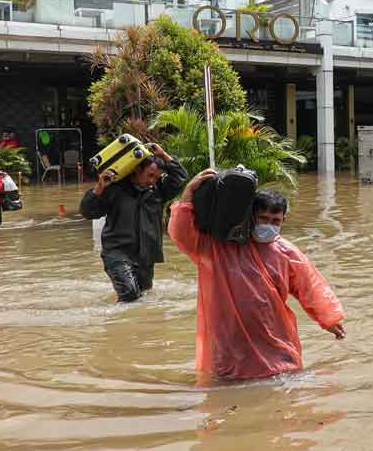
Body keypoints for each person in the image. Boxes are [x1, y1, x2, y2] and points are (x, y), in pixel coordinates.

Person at [169, 170, 346, 381]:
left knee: (281, 381)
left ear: (283, 220)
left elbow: (309, 286)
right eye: (263, 218)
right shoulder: (220, 248)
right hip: (228, 340)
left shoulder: (286, 252)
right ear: (251, 217)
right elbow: (181, 234)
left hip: (273, 336)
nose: (269, 225)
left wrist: (328, 319)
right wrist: (188, 193)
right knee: (224, 384)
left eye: (275, 221)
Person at [79, 143, 187, 303]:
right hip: (117, 253)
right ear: (137, 169)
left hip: (146, 256)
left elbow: (180, 178)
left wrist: (163, 155)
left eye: (156, 177)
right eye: (150, 175)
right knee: (130, 294)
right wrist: (99, 188)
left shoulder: (157, 191)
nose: (152, 181)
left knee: (143, 297)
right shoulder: (114, 188)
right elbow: (87, 212)